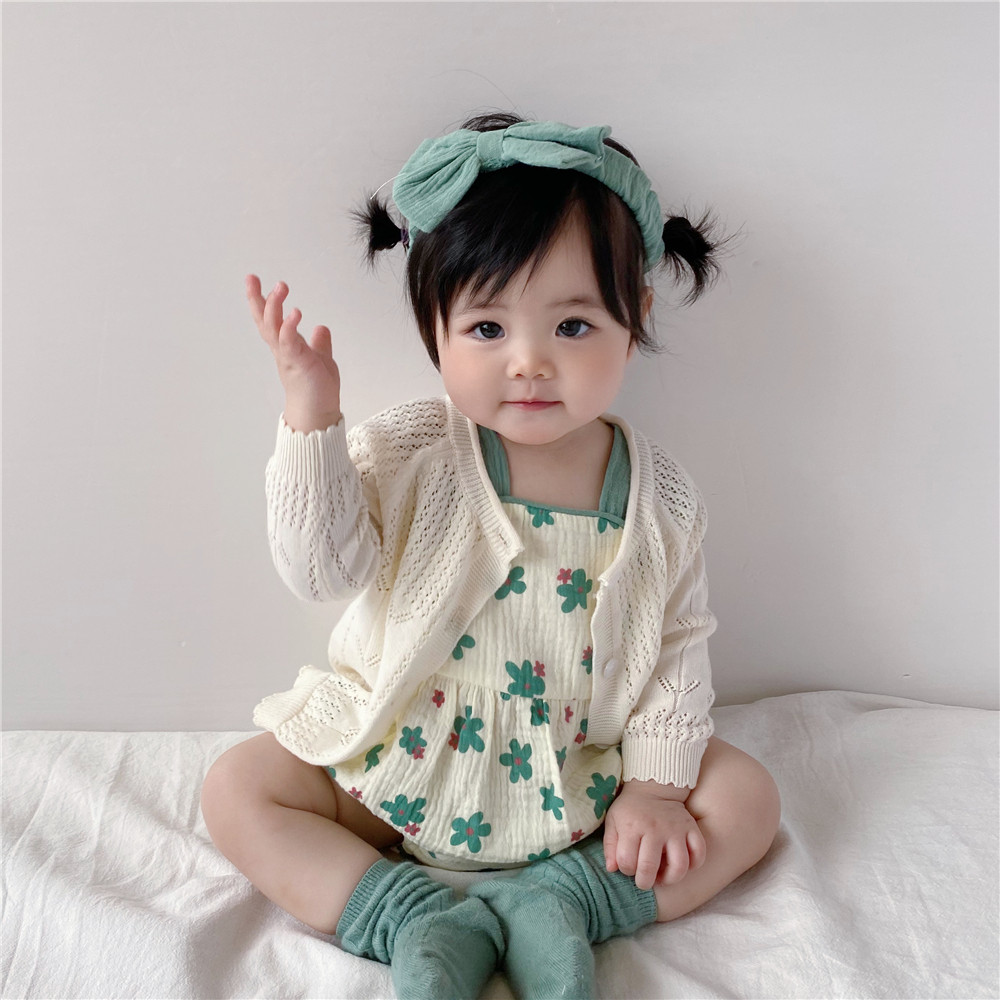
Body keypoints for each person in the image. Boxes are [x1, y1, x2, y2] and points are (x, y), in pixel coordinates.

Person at [201, 113, 781, 1000]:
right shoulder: (415, 450)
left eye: (573, 325)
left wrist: (656, 792)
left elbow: (677, 647)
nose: (529, 363)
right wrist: (313, 417)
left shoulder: (660, 496)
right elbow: (322, 572)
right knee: (237, 788)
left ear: (635, 317)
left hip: (575, 779)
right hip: (400, 764)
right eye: (486, 329)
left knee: (748, 801)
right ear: (433, 327)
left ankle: (568, 899)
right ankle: (410, 914)